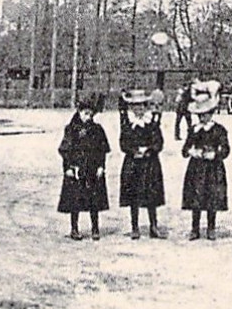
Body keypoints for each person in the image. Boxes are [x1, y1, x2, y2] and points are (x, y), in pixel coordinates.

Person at [181, 81, 230, 240]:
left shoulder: (219, 130)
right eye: (200, 115)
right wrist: (191, 151)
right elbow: (184, 149)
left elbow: (226, 149)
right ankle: (195, 228)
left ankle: (211, 228)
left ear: (212, 112)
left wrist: (215, 154)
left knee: (211, 198)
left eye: (206, 114)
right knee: (196, 198)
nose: (203, 117)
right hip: (196, 168)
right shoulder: (194, 130)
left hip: (213, 168)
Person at [58, 96, 111, 240]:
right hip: (76, 170)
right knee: (75, 200)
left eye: (90, 114)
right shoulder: (71, 129)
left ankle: (95, 228)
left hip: (92, 169)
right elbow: (65, 150)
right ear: (79, 112)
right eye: (85, 113)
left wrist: (101, 166)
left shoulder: (97, 129)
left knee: (94, 200)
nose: (88, 117)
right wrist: (68, 167)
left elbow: (102, 150)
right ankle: (74, 229)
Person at [119, 88, 167, 239]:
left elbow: (159, 142)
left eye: (141, 105)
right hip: (133, 163)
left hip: (149, 164)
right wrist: (133, 151)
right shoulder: (127, 124)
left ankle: (153, 226)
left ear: (146, 106)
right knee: (134, 196)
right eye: (135, 106)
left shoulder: (152, 122)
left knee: (151, 195)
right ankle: (135, 227)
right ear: (131, 108)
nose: (138, 109)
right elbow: (123, 143)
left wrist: (148, 150)